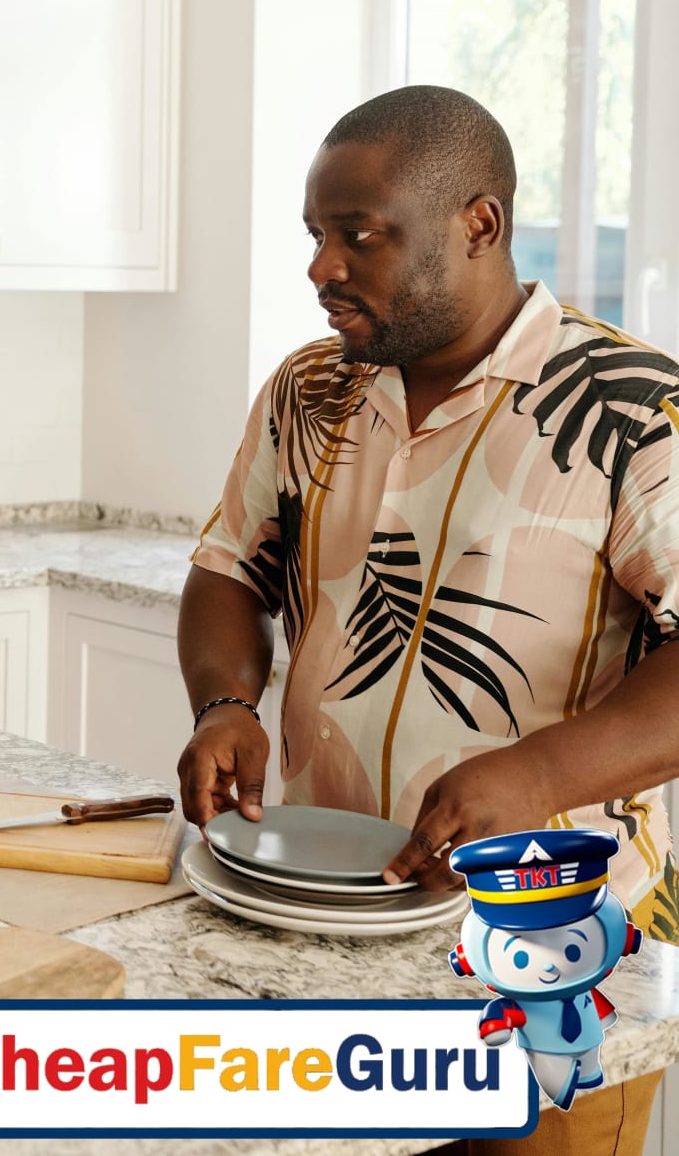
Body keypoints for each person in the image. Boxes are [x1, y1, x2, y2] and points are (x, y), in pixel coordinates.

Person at [179, 86, 674, 1151]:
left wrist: (538, 775)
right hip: (319, 911)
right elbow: (229, 565)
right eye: (316, 235)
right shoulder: (309, 388)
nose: (322, 266)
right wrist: (224, 700)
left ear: (478, 225)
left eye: (359, 235)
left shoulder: (634, 406)